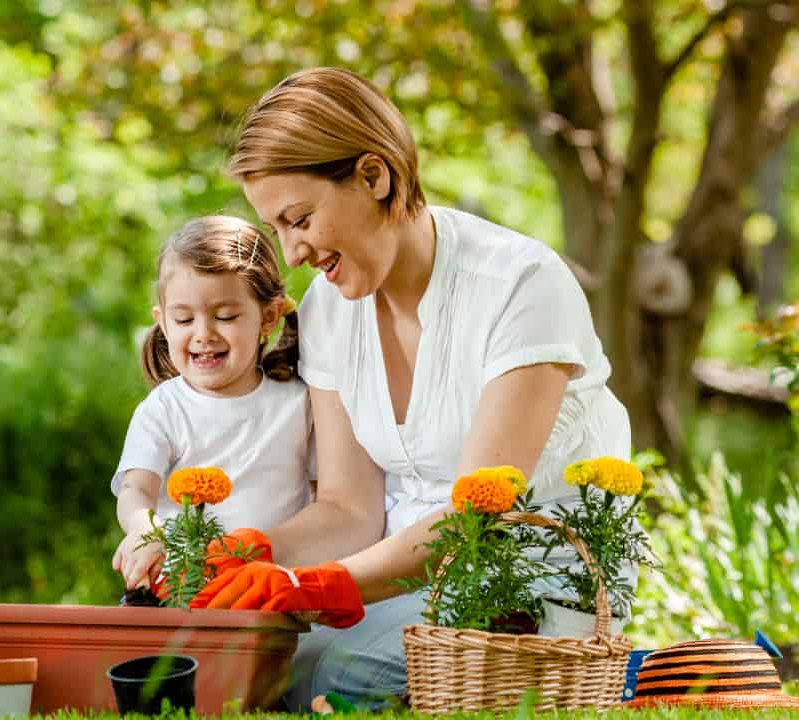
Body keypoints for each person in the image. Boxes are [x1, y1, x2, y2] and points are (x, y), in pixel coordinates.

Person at [188, 67, 633, 707]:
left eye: (301, 218)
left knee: (332, 673)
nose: (292, 253)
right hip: (397, 585)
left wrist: (322, 587)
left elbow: (479, 517)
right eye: (278, 229)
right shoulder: (328, 311)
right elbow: (349, 508)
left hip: (530, 589)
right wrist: (256, 551)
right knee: (246, 662)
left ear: (375, 176)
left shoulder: (521, 284)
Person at [111, 215, 315, 591]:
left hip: (270, 592)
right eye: (184, 319)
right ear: (164, 322)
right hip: (181, 592)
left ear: (267, 318)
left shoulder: (298, 404)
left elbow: (324, 499)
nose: (203, 334)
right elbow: (135, 490)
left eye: (225, 316)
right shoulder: (164, 410)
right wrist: (146, 532)